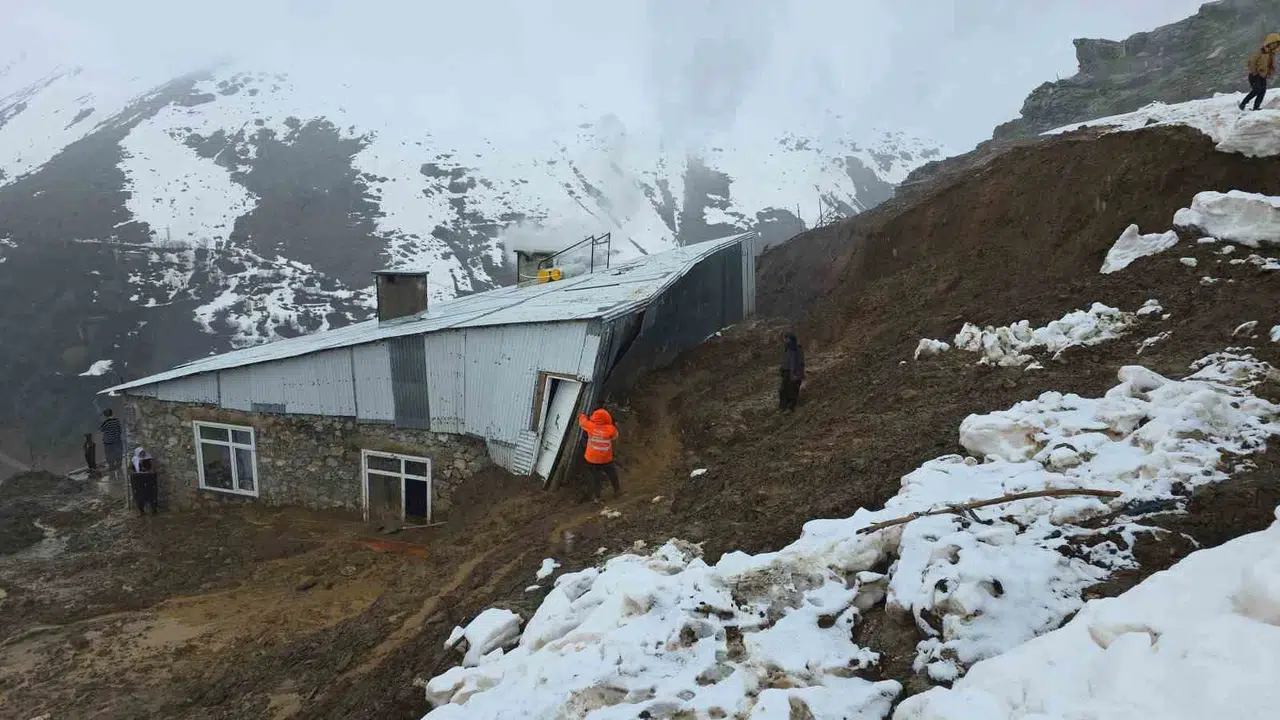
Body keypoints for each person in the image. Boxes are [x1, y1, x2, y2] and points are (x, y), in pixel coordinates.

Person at [577, 408, 619, 502]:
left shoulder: (590, 426)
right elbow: (615, 437)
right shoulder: (611, 429)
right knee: (612, 473)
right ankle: (617, 490)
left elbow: (582, 422)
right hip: (606, 459)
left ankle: (597, 498)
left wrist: (582, 415)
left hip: (592, 459)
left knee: (596, 478)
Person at [1240, 33, 1280, 111]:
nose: (1275, 46)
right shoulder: (1261, 52)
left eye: (1276, 44)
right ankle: (1243, 104)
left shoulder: (1271, 54)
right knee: (1257, 90)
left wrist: (1269, 72)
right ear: (1270, 43)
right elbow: (1252, 61)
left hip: (1262, 75)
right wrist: (1254, 72)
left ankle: (1256, 107)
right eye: (1274, 43)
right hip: (1255, 75)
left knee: (1262, 91)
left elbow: (1270, 65)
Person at [778, 332, 805, 413]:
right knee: (783, 390)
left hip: (795, 373)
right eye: (785, 339)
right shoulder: (787, 349)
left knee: (792, 390)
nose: (785, 341)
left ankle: (790, 408)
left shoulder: (798, 349)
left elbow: (801, 362)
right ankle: (783, 407)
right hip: (787, 372)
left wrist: (799, 374)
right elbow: (785, 361)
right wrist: (782, 369)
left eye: (787, 339)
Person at [100, 408, 124, 484]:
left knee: (110, 459)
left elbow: (101, 429)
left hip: (109, 444)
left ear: (105, 415)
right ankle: (120, 475)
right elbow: (120, 430)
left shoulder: (106, 422)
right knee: (118, 458)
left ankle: (112, 477)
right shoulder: (117, 421)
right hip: (117, 442)